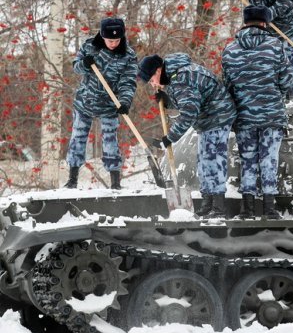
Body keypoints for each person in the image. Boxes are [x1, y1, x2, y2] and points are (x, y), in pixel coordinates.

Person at [137, 54, 236, 218]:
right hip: (206, 119)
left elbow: (189, 112)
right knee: (203, 161)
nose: (153, 83)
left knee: (213, 160)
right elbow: (190, 100)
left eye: (152, 79)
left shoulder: (182, 77)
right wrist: (168, 101)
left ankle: (218, 208)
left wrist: (170, 137)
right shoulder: (176, 75)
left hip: (218, 116)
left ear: (159, 70)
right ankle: (207, 204)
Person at [221, 5, 291, 219]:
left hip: (244, 116)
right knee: (269, 159)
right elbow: (286, 81)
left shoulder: (230, 50)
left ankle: (247, 208)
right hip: (271, 114)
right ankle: (269, 208)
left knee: (248, 160)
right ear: (265, 23)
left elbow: (227, 85)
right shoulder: (276, 46)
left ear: (245, 22)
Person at [65, 18, 137, 190]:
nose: (113, 43)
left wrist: (125, 101)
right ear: (103, 37)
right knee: (78, 137)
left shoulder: (128, 55)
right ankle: (72, 179)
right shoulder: (90, 45)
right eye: (110, 40)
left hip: (109, 104)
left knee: (111, 141)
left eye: (117, 40)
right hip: (85, 101)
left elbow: (128, 82)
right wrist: (84, 64)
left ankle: (115, 183)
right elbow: (75, 67)